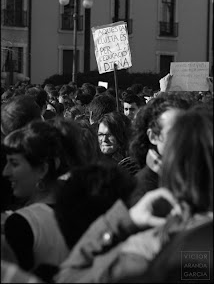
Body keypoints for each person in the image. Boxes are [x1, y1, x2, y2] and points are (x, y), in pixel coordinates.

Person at [55, 104, 213, 283]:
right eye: (100, 135)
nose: (104, 139)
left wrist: (122, 221)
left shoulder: (147, 250)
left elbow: (68, 278)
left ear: (172, 162)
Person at [2, 120, 73, 272]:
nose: (5, 172)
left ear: (42, 169)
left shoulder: (22, 222)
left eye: (14, 164)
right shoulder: (82, 206)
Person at [129, 93, 192, 197]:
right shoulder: (140, 189)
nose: (184, 137)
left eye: (189, 130)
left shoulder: (195, 176)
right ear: (153, 136)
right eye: (175, 132)